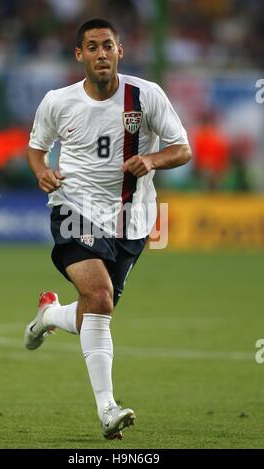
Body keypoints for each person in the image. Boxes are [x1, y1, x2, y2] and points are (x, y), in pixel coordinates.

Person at [24, 18, 191, 440]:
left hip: (132, 220)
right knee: (98, 297)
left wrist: (152, 161)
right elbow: (36, 149)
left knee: (95, 310)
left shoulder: (146, 96)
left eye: (108, 46)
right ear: (79, 55)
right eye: (92, 47)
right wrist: (42, 171)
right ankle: (107, 409)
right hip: (74, 208)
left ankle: (48, 315)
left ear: (121, 51)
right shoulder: (57, 102)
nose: (102, 54)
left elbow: (182, 148)